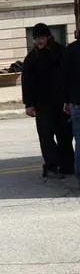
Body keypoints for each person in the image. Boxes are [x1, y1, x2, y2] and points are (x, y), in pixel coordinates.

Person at [22, 23, 74, 179]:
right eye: (37, 38)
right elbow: (27, 82)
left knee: (64, 135)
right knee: (46, 136)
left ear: (49, 37)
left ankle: (67, 165)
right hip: (42, 104)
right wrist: (29, 104)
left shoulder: (60, 53)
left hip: (61, 102)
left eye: (42, 37)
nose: (39, 41)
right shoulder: (32, 58)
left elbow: (68, 77)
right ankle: (51, 165)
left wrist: (69, 100)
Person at [63, 30, 80, 185]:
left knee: (79, 140)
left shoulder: (71, 50)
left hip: (77, 102)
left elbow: (65, 78)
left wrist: (66, 101)